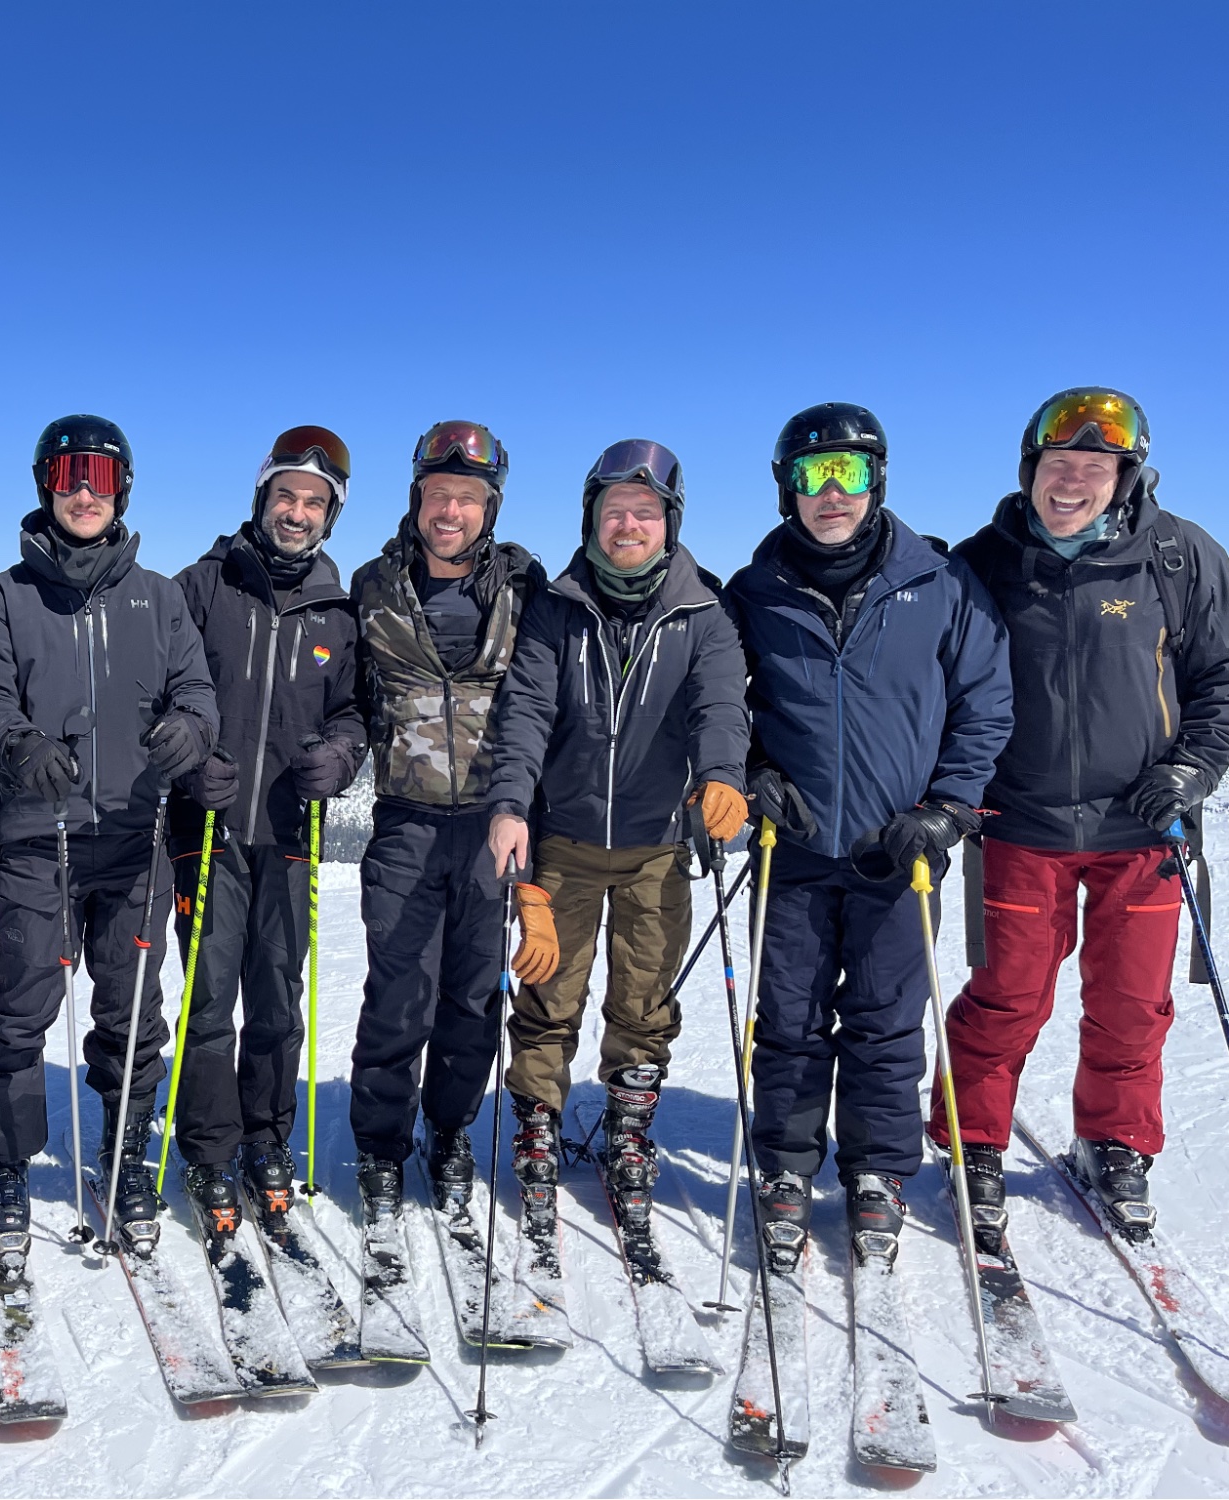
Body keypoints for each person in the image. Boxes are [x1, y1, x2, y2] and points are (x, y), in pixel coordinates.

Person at [933, 388, 1229, 1238]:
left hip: (1145, 829)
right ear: (1029, 471)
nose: (1072, 483)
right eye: (1057, 465)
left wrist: (1191, 770)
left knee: (1132, 1003)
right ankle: (972, 1142)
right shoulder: (980, 565)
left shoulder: (1179, 557)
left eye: (1094, 468)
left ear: (1126, 477)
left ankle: (1114, 1143)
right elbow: (936, 686)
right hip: (1018, 825)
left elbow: (1219, 682)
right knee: (1005, 998)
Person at [724, 402, 1012, 1268]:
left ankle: (877, 1171)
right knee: (788, 1018)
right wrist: (751, 778)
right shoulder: (754, 592)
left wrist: (948, 807)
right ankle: (782, 1166)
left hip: (900, 850)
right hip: (796, 848)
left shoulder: (941, 584)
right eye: (813, 477)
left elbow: (984, 705)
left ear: (876, 480)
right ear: (787, 490)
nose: (831, 493)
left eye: (848, 473)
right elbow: (721, 707)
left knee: (886, 1021)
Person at [0, 414, 217, 1258]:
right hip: (43, 837)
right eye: (69, 474)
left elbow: (196, 692)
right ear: (45, 483)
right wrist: (17, 744)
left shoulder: (157, 595)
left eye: (99, 478)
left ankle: (122, 1154)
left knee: (134, 1010)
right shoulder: (4, 594)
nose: (82, 491)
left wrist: (189, 728)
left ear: (122, 491)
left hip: (134, 834)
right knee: (26, 1005)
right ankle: (3, 1161)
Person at [484, 439, 749, 1226]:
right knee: (546, 990)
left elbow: (718, 708)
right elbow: (526, 712)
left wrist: (723, 774)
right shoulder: (557, 607)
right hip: (562, 842)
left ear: (668, 523)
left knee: (641, 998)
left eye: (642, 512)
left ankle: (628, 1130)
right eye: (612, 512)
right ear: (591, 520)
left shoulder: (703, 613)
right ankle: (535, 1124)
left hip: (656, 849)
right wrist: (508, 807)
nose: (626, 525)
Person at [168, 426, 366, 1237]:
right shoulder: (200, 587)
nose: (296, 511)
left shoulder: (338, 611)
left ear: (330, 516)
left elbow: (355, 711)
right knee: (211, 1000)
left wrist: (342, 756)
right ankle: (209, 1151)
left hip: (290, 830)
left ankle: (265, 1141)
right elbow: (161, 699)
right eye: (285, 495)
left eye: (313, 501)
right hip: (206, 830)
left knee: (277, 1003)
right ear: (261, 499)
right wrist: (187, 763)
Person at [349, 420, 544, 1220]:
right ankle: (380, 1145)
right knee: (399, 991)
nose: (450, 511)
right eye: (438, 495)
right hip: (404, 821)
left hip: (493, 826)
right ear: (416, 501)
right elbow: (343, 696)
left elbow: (550, 706)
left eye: (467, 498)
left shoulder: (527, 592)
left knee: (471, 996)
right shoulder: (371, 586)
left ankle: (450, 1128)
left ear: (489, 508)